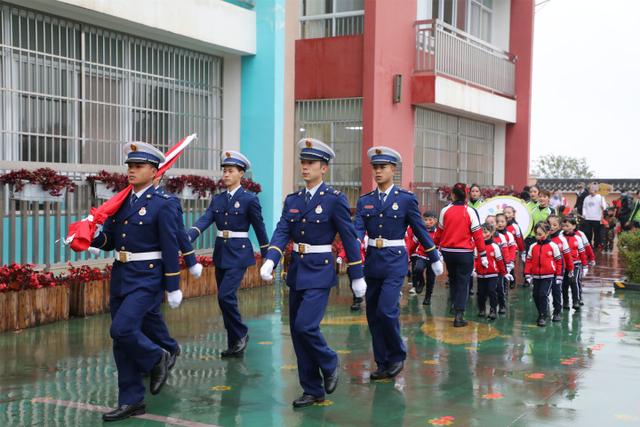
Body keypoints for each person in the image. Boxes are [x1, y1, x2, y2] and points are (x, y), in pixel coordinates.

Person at [260, 138, 365, 407]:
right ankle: (312, 388)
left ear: (324, 168)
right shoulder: (293, 199)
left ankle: (330, 361)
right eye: (303, 163)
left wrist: (357, 274)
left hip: (320, 270)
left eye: (311, 163)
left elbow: (349, 237)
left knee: (306, 325)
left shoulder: (334, 200)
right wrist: (271, 259)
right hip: (297, 270)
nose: (305, 167)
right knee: (297, 332)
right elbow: (283, 230)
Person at [91, 142, 183, 422]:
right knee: (121, 342)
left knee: (122, 329)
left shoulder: (164, 203)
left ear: (155, 171)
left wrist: (173, 285)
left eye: (138, 166)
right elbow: (109, 241)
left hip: (147, 277)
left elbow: (170, 245)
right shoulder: (120, 202)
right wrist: (92, 236)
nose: (131, 171)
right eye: (129, 166)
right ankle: (131, 400)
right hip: (121, 275)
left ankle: (157, 358)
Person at [354, 146, 443, 379]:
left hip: (395, 262)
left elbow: (419, 229)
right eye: (375, 167)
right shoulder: (366, 201)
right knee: (373, 314)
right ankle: (382, 361)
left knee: (386, 310)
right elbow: (357, 231)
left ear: (393, 169)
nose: (378, 171)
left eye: (383, 167)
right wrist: (351, 254)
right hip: (373, 261)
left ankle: (397, 356)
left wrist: (434, 256)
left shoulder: (405, 199)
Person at [187, 151, 269, 358]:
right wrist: (189, 235)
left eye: (230, 171)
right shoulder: (218, 199)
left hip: (239, 253)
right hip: (222, 252)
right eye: (224, 170)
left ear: (241, 174)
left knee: (226, 296)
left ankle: (241, 333)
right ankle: (234, 343)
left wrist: (268, 255)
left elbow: (259, 227)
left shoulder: (249, 199)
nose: (226, 174)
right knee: (223, 299)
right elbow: (205, 220)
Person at [434, 183, 487, 327]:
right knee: (463, 282)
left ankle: (453, 305)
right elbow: (478, 235)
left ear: (452, 195)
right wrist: (483, 254)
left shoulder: (445, 210)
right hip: (465, 253)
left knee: (453, 278)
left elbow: (439, 233)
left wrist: (435, 250)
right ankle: (458, 315)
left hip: (448, 252)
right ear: (466, 195)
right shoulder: (470, 211)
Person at [524, 222, 562, 327]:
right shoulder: (533, 246)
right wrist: (527, 274)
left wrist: (559, 275)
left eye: (540, 234)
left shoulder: (553, 246)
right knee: (535, 295)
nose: (537, 236)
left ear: (547, 233)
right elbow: (528, 260)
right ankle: (541, 311)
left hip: (549, 276)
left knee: (543, 294)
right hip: (536, 276)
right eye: (536, 234)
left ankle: (543, 315)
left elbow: (559, 261)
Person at [474, 222, 511, 321]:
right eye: (481, 233)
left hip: (493, 275)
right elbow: (475, 259)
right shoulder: (476, 246)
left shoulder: (495, 246)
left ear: (491, 232)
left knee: (492, 291)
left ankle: (493, 309)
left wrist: (504, 273)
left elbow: (499, 261)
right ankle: (481, 309)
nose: (484, 235)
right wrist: (474, 269)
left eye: (486, 232)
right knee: (481, 293)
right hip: (481, 275)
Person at [406, 211, 439, 306]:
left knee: (431, 278)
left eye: (430, 220)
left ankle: (428, 297)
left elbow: (441, 245)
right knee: (417, 269)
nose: (427, 222)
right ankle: (421, 282)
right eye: (425, 220)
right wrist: (408, 255)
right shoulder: (420, 232)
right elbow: (413, 244)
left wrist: (440, 256)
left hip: (433, 258)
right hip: (421, 255)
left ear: (435, 221)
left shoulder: (438, 233)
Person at [547, 214, 575, 322]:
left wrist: (570, 269)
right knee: (543, 293)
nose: (552, 227)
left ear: (559, 226)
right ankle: (544, 311)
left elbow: (568, 256)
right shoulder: (542, 238)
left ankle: (557, 312)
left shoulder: (562, 240)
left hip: (558, 271)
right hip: (545, 272)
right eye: (549, 224)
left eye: (555, 225)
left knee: (557, 291)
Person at [560, 216, 589, 310]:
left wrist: (585, 266)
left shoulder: (578, 238)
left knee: (573, 281)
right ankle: (565, 301)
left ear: (573, 226)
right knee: (564, 283)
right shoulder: (560, 236)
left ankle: (576, 300)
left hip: (576, 263)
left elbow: (582, 253)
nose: (564, 227)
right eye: (563, 225)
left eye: (567, 226)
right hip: (563, 264)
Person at [580, 183, 607, 249]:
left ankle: (596, 245)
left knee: (597, 233)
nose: (591, 190)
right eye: (590, 188)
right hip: (588, 218)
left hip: (597, 219)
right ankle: (589, 246)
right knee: (588, 233)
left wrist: (603, 206)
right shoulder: (586, 198)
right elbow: (584, 207)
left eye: (592, 188)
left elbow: (604, 207)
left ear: (596, 189)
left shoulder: (600, 197)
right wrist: (584, 214)